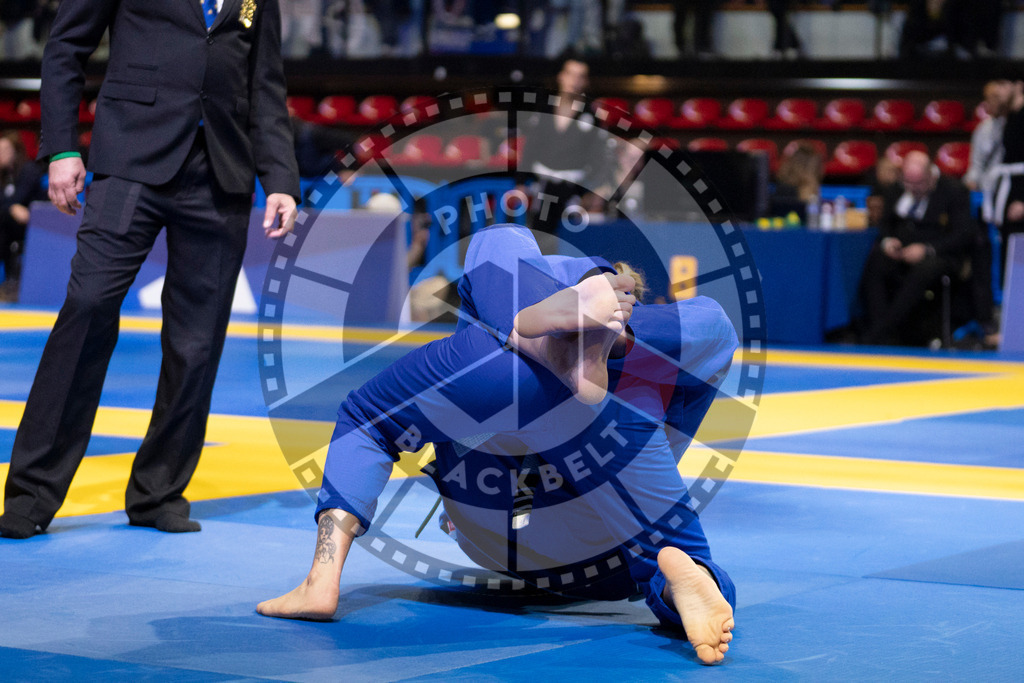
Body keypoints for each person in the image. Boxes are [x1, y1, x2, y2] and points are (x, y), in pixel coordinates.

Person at [258, 225, 737, 665]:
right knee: (708, 334)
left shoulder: (492, 348)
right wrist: (628, 340)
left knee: (499, 238)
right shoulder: (638, 400)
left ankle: (320, 583)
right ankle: (682, 587)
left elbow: (368, 425)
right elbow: (714, 336)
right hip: (603, 548)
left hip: (489, 515)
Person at [0, 0, 301, 539]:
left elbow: (266, 82)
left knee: (197, 341)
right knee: (87, 306)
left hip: (222, 175)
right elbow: (65, 48)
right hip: (128, 162)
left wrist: (279, 177)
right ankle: (31, 494)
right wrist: (63, 148)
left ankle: (158, 492)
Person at [860, 150, 974, 345]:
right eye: (908, 183)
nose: (912, 188)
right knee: (876, 261)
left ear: (931, 176)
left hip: (940, 254)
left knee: (924, 270)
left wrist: (927, 249)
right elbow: (885, 224)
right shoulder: (897, 189)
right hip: (902, 252)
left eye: (918, 183)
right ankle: (882, 330)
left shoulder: (954, 191)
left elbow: (962, 234)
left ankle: (882, 330)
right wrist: (889, 242)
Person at [517, 58, 616, 243]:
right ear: (561, 76)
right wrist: (521, 182)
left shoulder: (591, 115)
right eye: (570, 74)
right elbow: (530, 148)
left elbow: (599, 157)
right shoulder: (545, 108)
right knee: (538, 239)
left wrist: (591, 190)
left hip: (574, 189)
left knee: (570, 243)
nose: (574, 80)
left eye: (580, 76)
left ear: (586, 82)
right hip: (542, 186)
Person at [0, 131, 44, 302]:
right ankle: (9, 281)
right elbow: (10, 204)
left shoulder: (29, 170)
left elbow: (19, 198)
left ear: (16, 150)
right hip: (9, 224)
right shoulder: (3, 175)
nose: (1, 154)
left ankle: (15, 283)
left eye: (5, 150)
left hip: (36, 225)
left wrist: (11, 206)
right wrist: (10, 207)